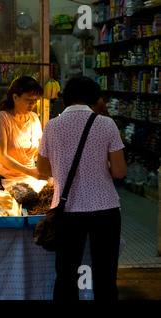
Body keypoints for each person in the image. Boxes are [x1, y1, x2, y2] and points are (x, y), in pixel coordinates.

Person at [36, 76, 127, 300]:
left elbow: (43, 170)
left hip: (66, 211)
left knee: (66, 275)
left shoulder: (52, 126)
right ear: (94, 99)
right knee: (105, 276)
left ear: (65, 98)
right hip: (105, 209)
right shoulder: (106, 124)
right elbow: (119, 172)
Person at [0, 76, 48, 189]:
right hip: (3, 178)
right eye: (28, 99)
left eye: (35, 100)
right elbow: (2, 157)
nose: (32, 103)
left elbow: (41, 149)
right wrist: (31, 172)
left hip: (29, 178)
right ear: (15, 98)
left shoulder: (34, 118)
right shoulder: (1, 119)